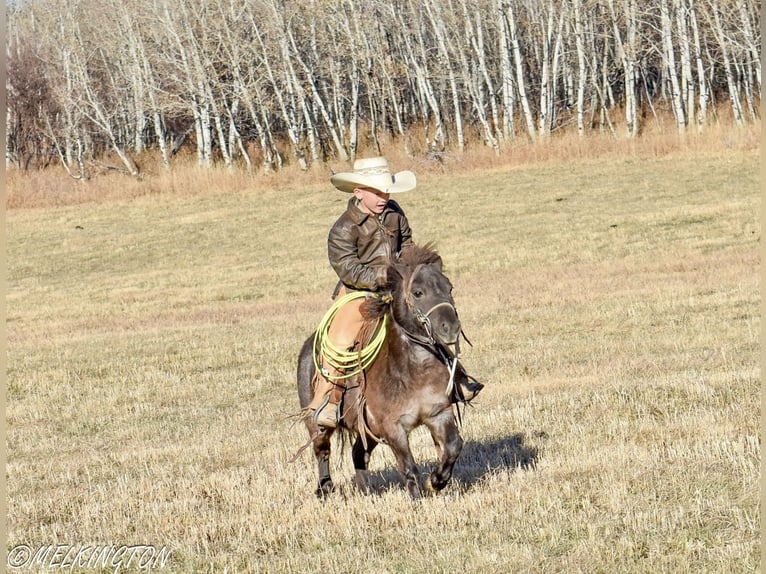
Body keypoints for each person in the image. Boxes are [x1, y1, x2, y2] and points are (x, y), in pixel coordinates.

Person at [307, 156, 482, 429]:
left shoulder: (394, 212)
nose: (383, 196)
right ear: (358, 192)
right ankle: (328, 399)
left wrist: (413, 268)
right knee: (341, 339)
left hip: (399, 285)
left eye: (386, 190)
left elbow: (407, 243)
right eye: (377, 191)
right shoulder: (343, 229)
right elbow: (348, 269)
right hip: (358, 292)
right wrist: (382, 277)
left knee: (428, 318)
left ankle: (456, 377)